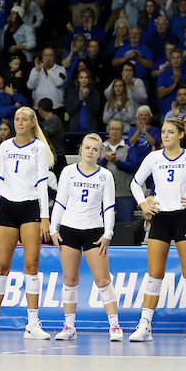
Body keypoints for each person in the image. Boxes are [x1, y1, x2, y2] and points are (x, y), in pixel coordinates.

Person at [128, 118, 186, 342]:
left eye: (170, 132)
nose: (165, 136)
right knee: (154, 274)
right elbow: (135, 183)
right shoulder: (153, 157)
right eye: (163, 132)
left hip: (184, 217)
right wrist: (144, 205)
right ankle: (145, 324)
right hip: (161, 218)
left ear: (181, 135)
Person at [0, 107, 55, 340]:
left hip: (31, 208)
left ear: (33, 123)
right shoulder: (5, 146)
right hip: (8, 209)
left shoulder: (40, 148)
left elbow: (42, 183)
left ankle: (32, 324)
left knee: (31, 266)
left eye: (24, 119)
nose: (19, 122)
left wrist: (44, 216)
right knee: (1, 267)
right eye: (16, 119)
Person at [49, 134, 123, 341]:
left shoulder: (105, 176)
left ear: (100, 153)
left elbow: (109, 207)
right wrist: (53, 228)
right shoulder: (68, 172)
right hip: (69, 230)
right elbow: (60, 202)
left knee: (103, 280)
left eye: (95, 149)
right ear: (80, 149)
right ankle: (69, 326)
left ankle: (115, 326)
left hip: (94, 231)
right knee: (70, 279)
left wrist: (108, 233)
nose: (90, 152)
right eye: (87, 148)